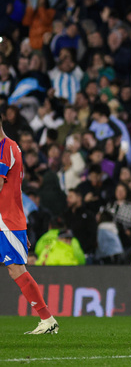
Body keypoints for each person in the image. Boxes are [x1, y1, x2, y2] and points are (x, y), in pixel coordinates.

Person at [0, 107, 59, 334]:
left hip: (7, 221)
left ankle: (47, 319)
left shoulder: (6, 147)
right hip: (5, 219)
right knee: (15, 269)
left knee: (16, 269)